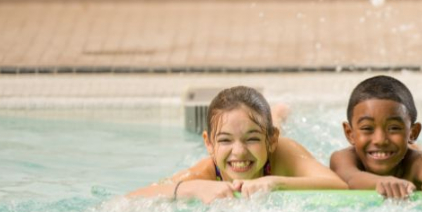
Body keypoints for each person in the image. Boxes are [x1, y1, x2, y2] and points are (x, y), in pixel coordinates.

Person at [130, 86, 346, 203]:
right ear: (208, 143)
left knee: (273, 123)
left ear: (271, 140)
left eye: (251, 139)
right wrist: (193, 189)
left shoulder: (283, 151)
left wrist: (276, 182)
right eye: (224, 140)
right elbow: (133, 198)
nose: (239, 152)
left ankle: (277, 115)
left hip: (275, 145)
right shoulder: (205, 172)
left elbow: (339, 186)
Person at [329, 75, 422, 199]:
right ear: (349, 133)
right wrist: (382, 182)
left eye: (394, 128)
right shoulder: (343, 158)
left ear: (413, 133)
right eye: (367, 128)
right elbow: (351, 178)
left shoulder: (417, 160)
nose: (380, 140)